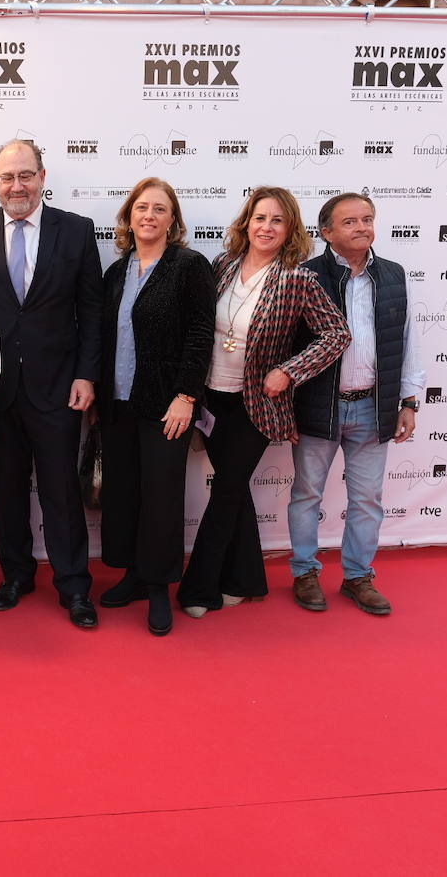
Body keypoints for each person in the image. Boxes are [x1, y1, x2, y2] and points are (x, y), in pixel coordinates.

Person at [0, 139, 103, 629]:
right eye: (6, 177)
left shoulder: (76, 230)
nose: (16, 186)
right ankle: (16, 576)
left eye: (24, 175)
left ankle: (74, 585)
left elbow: (92, 311)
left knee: (61, 492)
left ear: (42, 176)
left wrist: (86, 374)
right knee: (6, 491)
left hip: (58, 387)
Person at [177, 186, 349, 619]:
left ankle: (199, 589)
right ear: (247, 222)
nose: (266, 227)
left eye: (277, 220)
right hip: (212, 398)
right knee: (234, 490)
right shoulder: (223, 265)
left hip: (256, 404)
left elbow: (336, 334)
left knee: (226, 492)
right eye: (260, 218)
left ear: (290, 229)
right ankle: (245, 581)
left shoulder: (298, 279)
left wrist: (288, 371)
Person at [287, 192, 424, 616]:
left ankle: (358, 577)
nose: (362, 227)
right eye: (350, 222)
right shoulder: (305, 276)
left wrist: (409, 401)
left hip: (372, 407)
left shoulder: (393, 275)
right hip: (318, 405)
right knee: (307, 494)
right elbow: (286, 346)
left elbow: (406, 340)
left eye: (367, 219)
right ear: (326, 232)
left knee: (367, 500)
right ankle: (304, 572)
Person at [94, 178, 215, 636]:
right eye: (142, 207)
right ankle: (134, 575)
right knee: (124, 494)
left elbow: (201, 334)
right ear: (129, 217)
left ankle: (160, 585)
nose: (149, 215)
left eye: (159, 209)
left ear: (172, 220)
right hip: (117, 403)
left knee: (162, 498)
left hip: (167, 405)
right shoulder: (115, 273)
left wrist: (187, 396)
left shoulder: (188, 266)